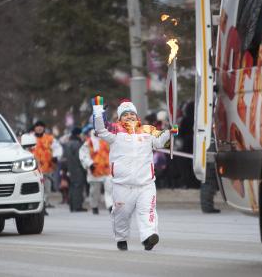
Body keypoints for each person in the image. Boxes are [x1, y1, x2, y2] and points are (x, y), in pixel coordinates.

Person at [92, 97, 178, 251]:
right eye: (125, 114)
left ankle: (149, 237)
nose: (129, 116)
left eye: (132, 113)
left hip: (145, 184)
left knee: (148, 211)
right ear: (119, 118)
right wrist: (98, 110)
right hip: (122, 185)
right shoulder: (114, 131)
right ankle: (121, 238)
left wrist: (169, 132)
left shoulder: (147, 130)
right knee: (121, 215)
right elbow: (100, 129)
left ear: (137, 115)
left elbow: (159, 141)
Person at [79, 124, 113, 215]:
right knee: (94, 191)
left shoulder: (108, 140)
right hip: (95, 171)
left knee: (110, 190)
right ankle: (94, 206)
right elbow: (83, 155)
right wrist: (90, 164)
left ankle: (110, 206)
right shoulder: (89, 142)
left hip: (107, 170)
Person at [31, 121, 63, 215]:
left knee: (47, 188)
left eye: (41, 126)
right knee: (35, 188)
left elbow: (58, 148)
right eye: (37, 126)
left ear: (44, 128)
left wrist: (56, 156)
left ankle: (43, 206)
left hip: (47, 168)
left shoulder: (50, 138)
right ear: (34, 128)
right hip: (33, 169)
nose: (39, 128)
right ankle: (35, 206)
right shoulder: (30, 138)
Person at [63, 127, 87, 212]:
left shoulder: (67, 143)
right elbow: (80, 157)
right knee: (78, 187)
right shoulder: (78, 144)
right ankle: (77, 206)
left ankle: (72, 205)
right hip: (77, 168)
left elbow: (64, 157)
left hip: (70, 168)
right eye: (82, 134)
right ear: (78, 134)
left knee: (72, 186)